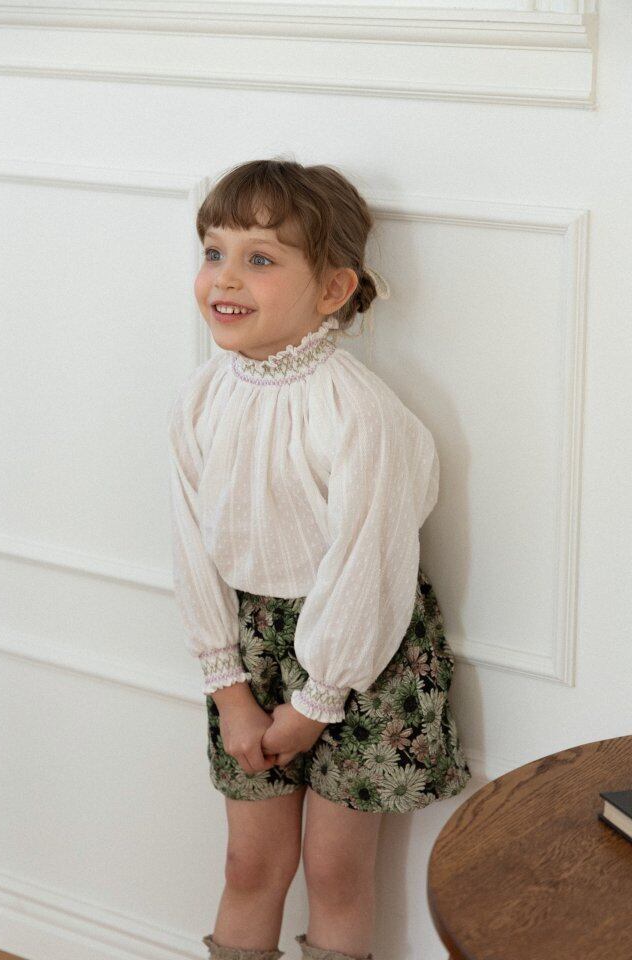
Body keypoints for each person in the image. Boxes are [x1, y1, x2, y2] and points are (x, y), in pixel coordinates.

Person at [167, 158, 472, 960]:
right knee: (249, 863)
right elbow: (192, 546)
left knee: (336, 873)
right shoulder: (202, 398)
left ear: (334, 289)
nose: (225, 277)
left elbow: (371, 562)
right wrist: (230, 690)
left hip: (359, 653)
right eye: (213, 251)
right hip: (250, 654)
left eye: (260, 258)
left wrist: (317, 700)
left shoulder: (360, 414)